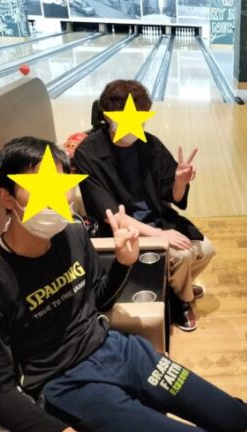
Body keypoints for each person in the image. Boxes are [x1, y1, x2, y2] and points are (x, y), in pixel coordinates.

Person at [0, 137, 247, 432]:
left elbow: (98, 300)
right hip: (63, 384)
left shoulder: (73, 232)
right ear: (7, 197)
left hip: (115, 348)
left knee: (231, 418)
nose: (55, 197)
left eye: (61, 185)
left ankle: (228, 415)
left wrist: (122, 264)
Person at [74, 79, 214, 332]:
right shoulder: (88, 153)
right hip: (123, 231)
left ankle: (174, 284)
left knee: (207, 249)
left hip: (158, 219)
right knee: (182, 255)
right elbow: (109, 214)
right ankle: (182, 301)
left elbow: (173, 195)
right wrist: (160, 235)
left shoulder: (150, 144)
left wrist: (180, 181)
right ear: (108, 117)